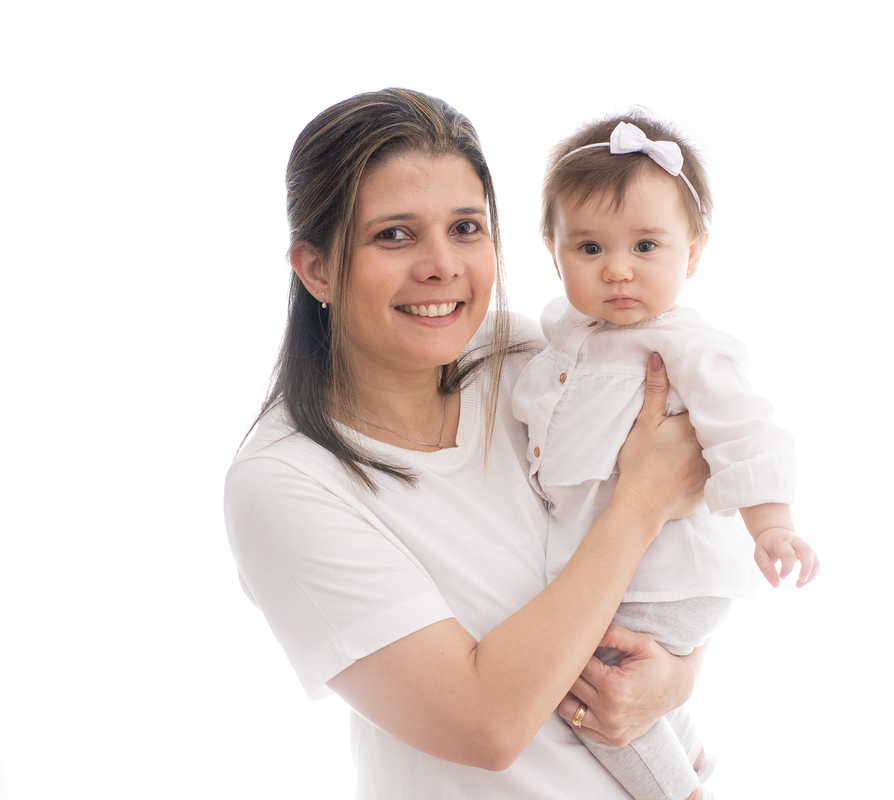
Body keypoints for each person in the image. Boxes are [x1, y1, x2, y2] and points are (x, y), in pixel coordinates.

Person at [224, 88, 716, 799]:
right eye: (394, 235)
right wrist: (639, 506)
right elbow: (485, 725)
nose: (441, 265)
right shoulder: (286, 482)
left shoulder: (534, 362)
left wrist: (680, 674)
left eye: (465, 228)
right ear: (316, 268)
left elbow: (677, 554)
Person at [511, 114, 821, 800]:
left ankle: (680, 792)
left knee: (589, 685)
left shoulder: (686, 347)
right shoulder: (562, 338)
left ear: (693, 253)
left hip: (669, 577)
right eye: (589, 247)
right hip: (625, 573)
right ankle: (694, 756)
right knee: (622, 675)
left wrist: (772, 525)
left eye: (646, 245)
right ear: (554, 254)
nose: (617, 268)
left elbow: (747, 433)